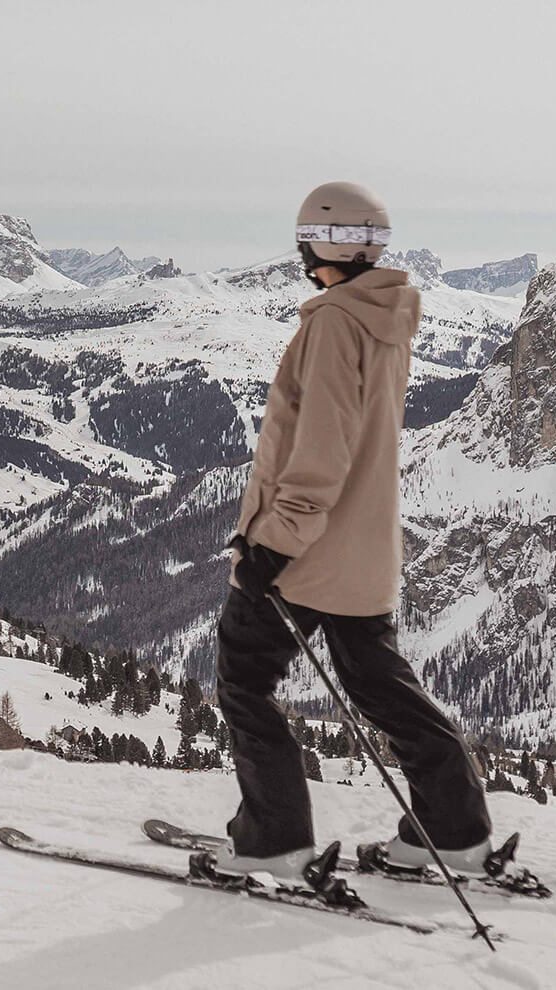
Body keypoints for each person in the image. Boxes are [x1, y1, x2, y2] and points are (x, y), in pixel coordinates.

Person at [205, 181, 492, 882]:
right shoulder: (387, 314)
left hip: (309, 550)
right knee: (379, 685)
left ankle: (272, 840)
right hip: (365, 551)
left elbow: (324, 443)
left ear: (317, 243)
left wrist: (275, 539)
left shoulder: (335, 321)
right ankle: (451, 831)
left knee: (245, 679)